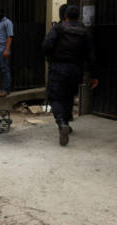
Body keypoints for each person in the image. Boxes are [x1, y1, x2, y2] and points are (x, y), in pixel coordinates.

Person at [43, 5, 99, 146]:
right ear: (78, 17)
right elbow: (91, 56)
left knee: (55, 97)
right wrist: (93, 75)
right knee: (68, 96)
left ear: (65, 16)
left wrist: (51, 58)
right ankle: (67, 123)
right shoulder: (85, 32)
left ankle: (62, 123)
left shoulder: (58, 28)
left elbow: (46, 45)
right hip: (76, 69)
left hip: (59, 68)